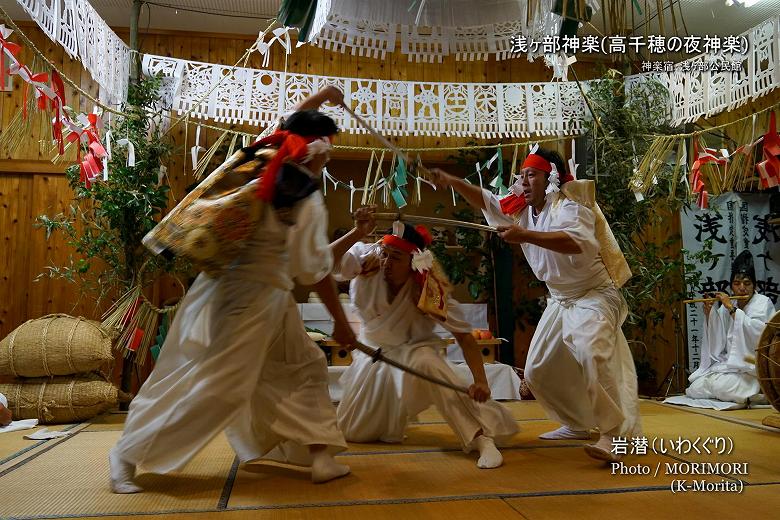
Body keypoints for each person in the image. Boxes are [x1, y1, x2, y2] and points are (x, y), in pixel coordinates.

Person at [109, 86, 357, 493]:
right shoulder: (304, 195)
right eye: (329, 148)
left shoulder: (259, 158)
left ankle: (321, 456)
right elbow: (313, 271)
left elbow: (292, 120)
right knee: (217, 387)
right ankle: (127, 453)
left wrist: (320, 96)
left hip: (234, 289)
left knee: (305, 367)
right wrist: (342, 323)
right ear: (320, 150)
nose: (330, 156)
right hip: (253, 300)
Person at [431, 147, 641, 463]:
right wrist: (452, 181)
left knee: (591, 353)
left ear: (550, 177)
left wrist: (525, 235)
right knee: (538, 370)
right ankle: (576, 423)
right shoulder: (520, 209)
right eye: (523, 175)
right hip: (560, 299)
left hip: (594, 295)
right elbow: (487, 200)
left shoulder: (571, 206)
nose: (525, 181)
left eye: (532, 175)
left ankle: (611, 434)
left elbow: (579, 242)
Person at [331, 208, 518, 468]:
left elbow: (464, 337)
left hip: (414, 349)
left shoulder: (429, 287)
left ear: (413, 262)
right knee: (354, 432)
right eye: (385, 254)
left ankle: (481, 438)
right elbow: (321, 264)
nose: (386, 262)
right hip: (372, 351)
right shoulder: (366, 259)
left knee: (429, 363)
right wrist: (357, 233)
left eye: (396, 258)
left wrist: (480, 381)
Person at [669, 251, 775, 408]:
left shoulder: (762, 303)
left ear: (755, 285)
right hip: (729, 365)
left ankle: (758, 392)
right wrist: (710, 315)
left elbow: (760, 333)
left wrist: (733, 310)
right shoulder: (728, 307)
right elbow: (718, 340)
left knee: (723, 387)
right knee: (695, 387)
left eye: (747, 283)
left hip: (751, 367)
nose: (742, 288)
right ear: (731, 286)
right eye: (737, 284)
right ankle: (743, 395)